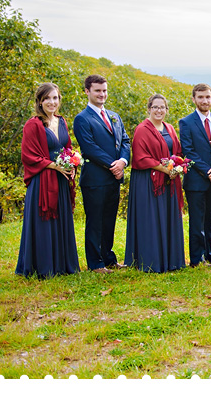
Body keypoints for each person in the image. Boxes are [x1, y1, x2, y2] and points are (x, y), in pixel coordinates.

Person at [15, 82, 81, 278]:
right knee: (44, 221)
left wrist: (71, 164)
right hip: (42, 182)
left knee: (61, 219)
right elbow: (28, 156)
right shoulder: (33, 125)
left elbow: (67, 148)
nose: (52, 102)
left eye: (55, 98)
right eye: (47, 99)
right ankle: (44, 266)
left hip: (60, 181)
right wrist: (54, 166)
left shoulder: (62, 122)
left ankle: (62, 264)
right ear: (40, 102)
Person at [73, 74, 131, 273]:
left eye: (104, 90)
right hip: (95, 179)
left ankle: (108, 258)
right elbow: (89, 148)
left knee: (109, 220)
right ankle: (95, 263)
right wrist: (112, 165)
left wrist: (123, 162)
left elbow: (125, 141)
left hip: (114, 178)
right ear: (87, 91)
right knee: (95, 221)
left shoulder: (114, 116)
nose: (102, 94)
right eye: (97, 90)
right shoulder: (82, 119)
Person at [124, 94, 187, 272]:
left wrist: (178, 166)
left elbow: (177, 151)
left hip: (169, 180)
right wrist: (165, 169)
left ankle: (171, 259)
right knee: (151, 219)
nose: (159, 110)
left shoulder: (170, 128)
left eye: (162, 107)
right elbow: (140, 157)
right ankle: (151, 260)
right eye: (155, 107)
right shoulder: (142, 129)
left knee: (167, 218)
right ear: (149, 109)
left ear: (167, 110)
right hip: (149, 181)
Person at [179, 83, 211, 267]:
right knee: (197, 221)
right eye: (200, 97)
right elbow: (188, 151)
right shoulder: (186, 122)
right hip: (196, 180)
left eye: (207, 97)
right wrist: (207, 171)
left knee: (210, 220)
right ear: (194, 99)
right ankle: (197, 258)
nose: (205, 100)